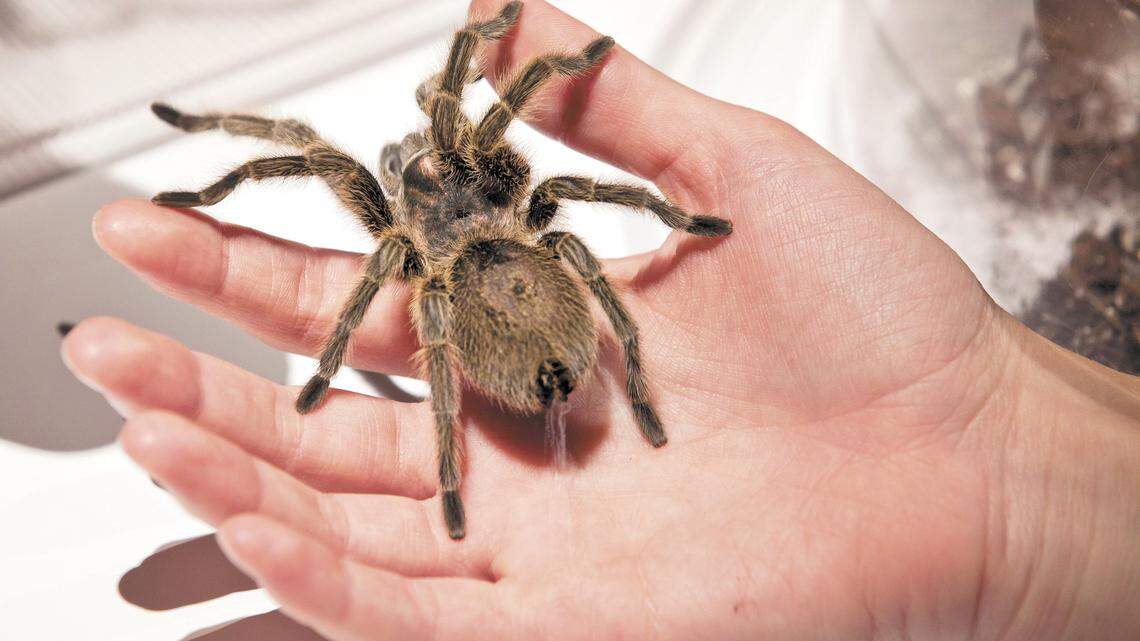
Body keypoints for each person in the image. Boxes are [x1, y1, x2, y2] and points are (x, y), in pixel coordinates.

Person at [62, 1, 1139, 639]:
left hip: (489, 286)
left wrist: (335, 353)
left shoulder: (432, 242)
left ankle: (483, 457)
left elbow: (470, 101)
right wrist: (652, 193)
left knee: (370, 189)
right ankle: (575, 426)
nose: (415, 159)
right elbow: (509, 113)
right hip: (513, 280)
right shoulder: (524, 220)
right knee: (547, 236)